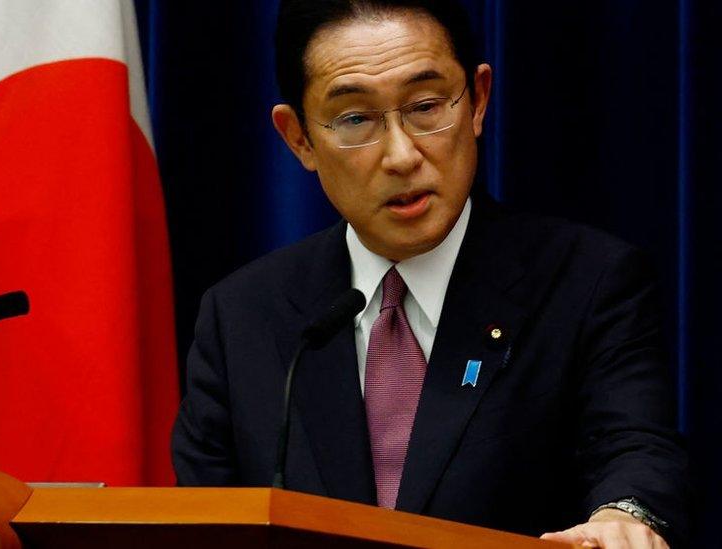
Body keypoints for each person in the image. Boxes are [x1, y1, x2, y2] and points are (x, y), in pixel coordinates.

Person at [170, 1, 689, 547]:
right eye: (355, 119)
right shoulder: (243, 316)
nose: (400, 155)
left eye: (425, 106)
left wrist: (624, 516)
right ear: (299, 138)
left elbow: (635, 449)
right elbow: (207, 516)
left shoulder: (590, 283)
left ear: (478, 101)